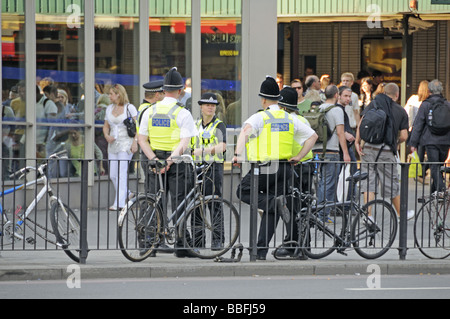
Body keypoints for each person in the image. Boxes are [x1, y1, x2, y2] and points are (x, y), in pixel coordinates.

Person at [234, 76, 317, 260]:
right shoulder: (290, 118)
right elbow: (313, 136)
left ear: (263, 99)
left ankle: (274, 205)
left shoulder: (260, 116)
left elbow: (245, 131)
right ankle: (260, 251)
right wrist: (299, 157)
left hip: (264, 168)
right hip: (286, 168)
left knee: (243, 191)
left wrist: (237, 155)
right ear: (278, 99)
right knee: (273, 206)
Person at [138, 67, 197, 258]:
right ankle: (181, 244)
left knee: (153, 200)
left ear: (163, 90)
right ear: (180, 91)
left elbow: (141, 139)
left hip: (154, 159)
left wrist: (154, 159)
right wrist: (170, 161)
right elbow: (185, 141)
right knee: (179, 201)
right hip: (177, 161)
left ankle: (149, 244)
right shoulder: (183, 112)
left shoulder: (150, 111)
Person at [355, 83, 413, 221]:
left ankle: (368, 216)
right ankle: (401, 214)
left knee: (368, 181)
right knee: (390, 182)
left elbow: (361, 124)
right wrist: (394, 142)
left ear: (384, 92)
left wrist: (358, 142)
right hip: (386, 151)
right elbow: (404, 136)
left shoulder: (373, 105)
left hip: (368, 148)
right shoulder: (400, 110)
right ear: (397, 95)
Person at [275, 86, 315, 259]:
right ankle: (302, 246)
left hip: (297, 166)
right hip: (304, 166)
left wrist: (297, 157)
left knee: (293, 208)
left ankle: (296, 246)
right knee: (301, 208)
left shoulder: (287, 121)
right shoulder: (299, 118)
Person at [191, 92, 227, 250]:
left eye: (213, 105)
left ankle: (217, 240)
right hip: (196, 168)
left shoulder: (219, 125)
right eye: (207, 105)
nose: (211, 107)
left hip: (213, 168)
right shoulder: (195, 124)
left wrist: (204, 150)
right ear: (201, 107)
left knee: (214, 204)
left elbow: (222, 146)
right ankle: (197, 241)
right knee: (196, 205)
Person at [312, 85, 350, 223]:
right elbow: (340, 133)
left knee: (321, 183)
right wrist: (345, 153)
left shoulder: (318, 108)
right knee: (328, 184)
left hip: (316, 151)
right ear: (336, 95)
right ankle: (322, 215)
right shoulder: (336, 110)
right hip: (331, 151)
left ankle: (318, 212)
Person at [408, 80, 450, 195]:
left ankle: (441, 190)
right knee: (439, 166)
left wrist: (413, 143)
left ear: (429, 91)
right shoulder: (447, 104)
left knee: (434, 166)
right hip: (445, 141)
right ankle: (434, 192)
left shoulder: (426, 105)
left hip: (430, 141)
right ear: (441, 90)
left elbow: (418, 124)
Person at [103, 84, 138, 211]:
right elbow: (106, 126)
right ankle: (128, 194)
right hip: (112, 144)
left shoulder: (130, 108)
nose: (109, 96)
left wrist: (135, 142)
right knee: (113, 174)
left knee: (121, 173)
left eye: (111, 93)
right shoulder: (109, 108)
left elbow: (138, 127)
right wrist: (106, 135)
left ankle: (119, 203)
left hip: (126, 143)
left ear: (118, 94)